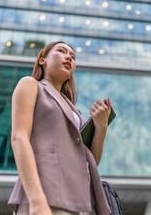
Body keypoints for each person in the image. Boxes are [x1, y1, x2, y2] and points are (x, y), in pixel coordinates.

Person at [8, 41, 112, 215]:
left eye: (72, 56)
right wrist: (37, 200)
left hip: (81, 201)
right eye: (62, 51)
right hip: (46, 193)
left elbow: (88, 162)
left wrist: (101, 128)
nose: (69, 57)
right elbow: (19, 138)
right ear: (43, 60)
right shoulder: (30, 85)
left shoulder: (74, 111)